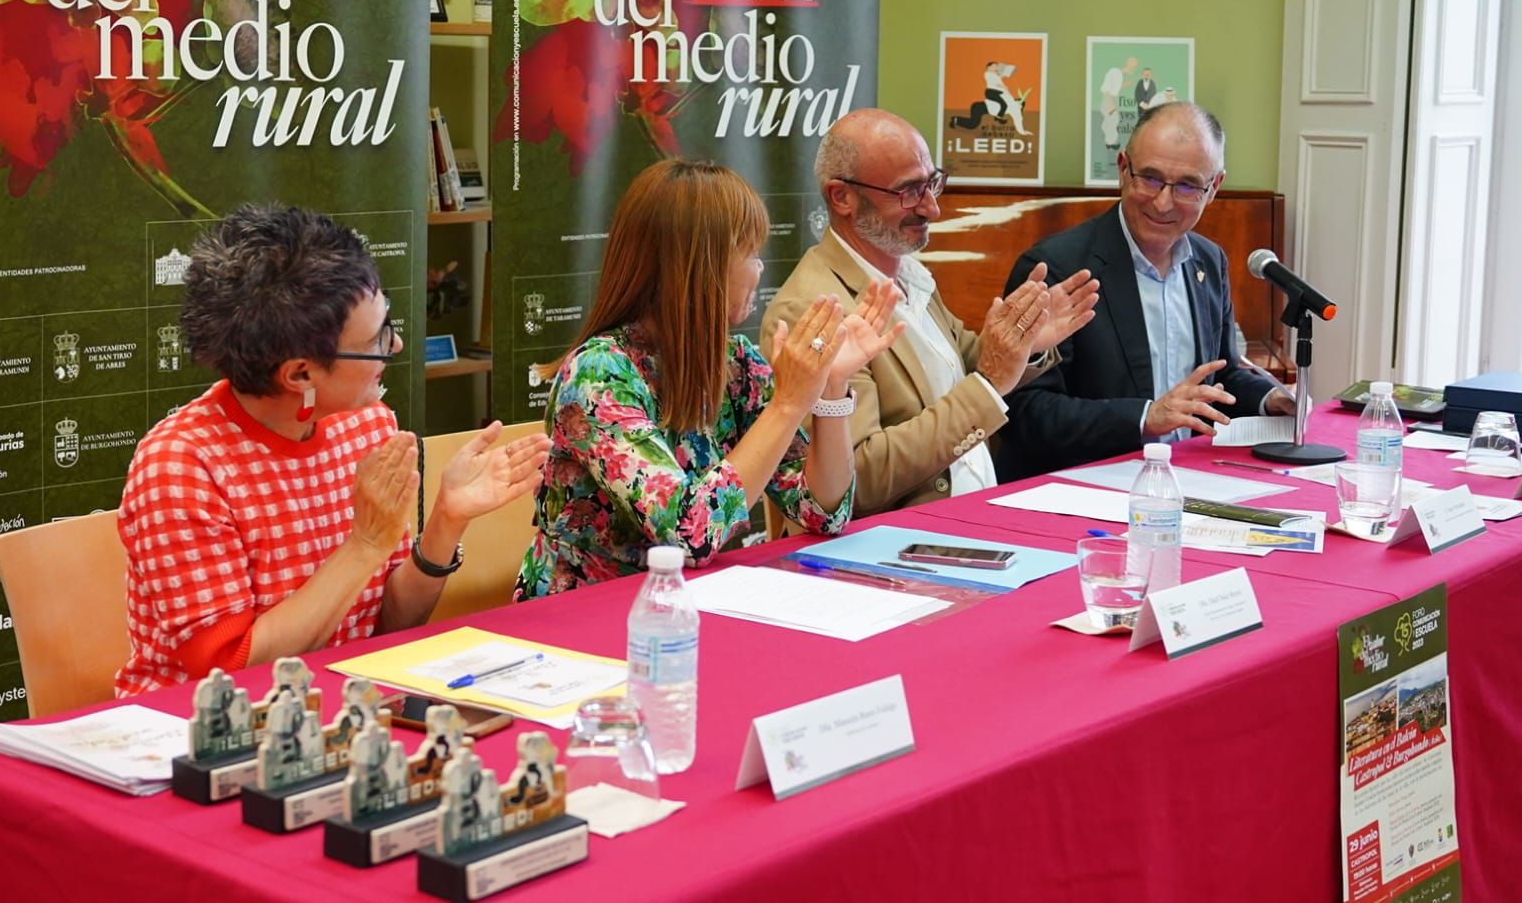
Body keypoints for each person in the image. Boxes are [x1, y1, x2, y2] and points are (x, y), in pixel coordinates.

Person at [116, 204, 550, 696]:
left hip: (339, 711)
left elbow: (385, 628)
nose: (398, 345)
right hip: (204, 735)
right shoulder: (181, 468)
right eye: (377, 339)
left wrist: (446, 522)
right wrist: (364, 544)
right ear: (299, 374)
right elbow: (229, 672)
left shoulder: (366, 424)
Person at [514, 159, 902, 598]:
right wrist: (790, 403)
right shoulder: (599, 374)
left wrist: (829, 387)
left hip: (693, 604)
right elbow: (689, 534)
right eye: (750, 254)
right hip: (586, 618)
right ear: (701, 266)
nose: (760, 270)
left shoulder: (736, 362)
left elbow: (824, 513)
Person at [763, 109, 1100, 516]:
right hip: (898, 547)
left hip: (970, 519)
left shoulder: (907, 271)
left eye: (932, 183)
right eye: (909, 192)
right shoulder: (815, 309)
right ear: (842, 197)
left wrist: (1023, 342)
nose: (932, 209)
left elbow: (958, 370)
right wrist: (990, 383)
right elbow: (857, 480)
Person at [995, 102, 1297, 481]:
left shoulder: (1208, 261)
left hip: (1192, 479)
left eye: (1187, 185)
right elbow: (1022, 412)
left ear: (1214, 187)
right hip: (1085, 488)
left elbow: (1220, 378)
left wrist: (1274, 401)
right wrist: (1145, 417)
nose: (1163, 202)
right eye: (1150, 179)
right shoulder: (1057, 268)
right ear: (1123, 169)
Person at [1100, 56, 1139, 151]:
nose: (1133, 70)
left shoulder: (1119, 75)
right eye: (1133, 67)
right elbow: (1106, 89)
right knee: (1111, 121)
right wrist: (1111, 104)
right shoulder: (1115, 72)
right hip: (1109, 100)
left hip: (1112, 100)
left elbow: (1115, 89)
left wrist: (1125, 85)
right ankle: (1110, 143)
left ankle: (1110, 142)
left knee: (1112, 121)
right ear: (1129, 64)